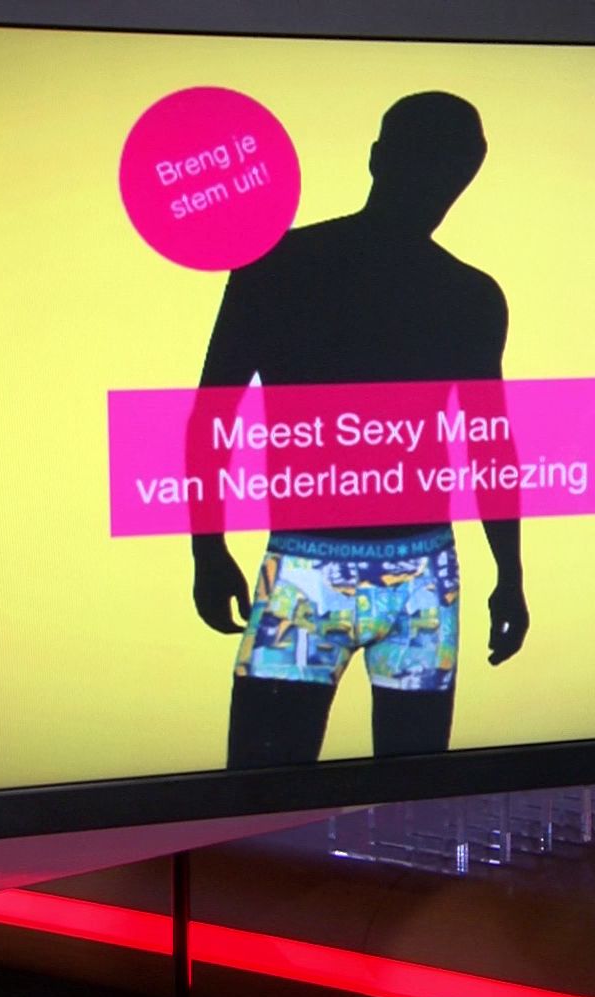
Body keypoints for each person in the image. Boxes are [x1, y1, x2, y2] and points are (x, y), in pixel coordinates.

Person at [189, 92, 529, 767]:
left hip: (356, 565)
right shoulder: (464, 294)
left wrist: (208, 548)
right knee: (356, 787)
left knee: (276, 785)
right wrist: (509, 572)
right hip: (390, 569)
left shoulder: (279, 266)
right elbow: (487, 443)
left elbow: (488, 442)